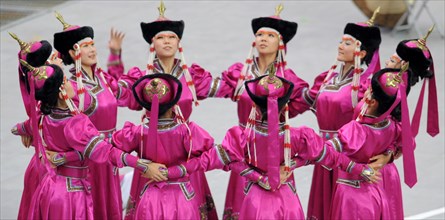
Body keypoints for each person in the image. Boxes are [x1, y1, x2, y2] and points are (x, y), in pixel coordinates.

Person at [171, 72, 379, 219]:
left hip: (255, 202)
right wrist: (360, 169)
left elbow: (213, 161)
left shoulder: (241, 138)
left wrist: (169, 171)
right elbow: (325, 156)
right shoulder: (298, 138)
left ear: (254, 105)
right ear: (285, 107)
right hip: (287, 198)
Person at [11, 61, 151, 219]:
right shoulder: (75, 123)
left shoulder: (44, 117)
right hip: (71, 195)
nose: (71, 84)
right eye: (65, 81)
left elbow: (20, 128)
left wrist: (25, 133)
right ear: (61, 90)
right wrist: (141, 164)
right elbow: (105, 151)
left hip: (49, 188)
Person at [206, 4, 309, 218]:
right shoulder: (240, 74)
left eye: (270, 35)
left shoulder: (290, 81)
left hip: (278, 148)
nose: (263, 38)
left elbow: (323, 102)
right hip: (245, 148)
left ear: (281, 43)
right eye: (259, 34)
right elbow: (200, 88)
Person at [122, 2, 216, 219]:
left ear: (179, 42)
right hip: (150, 154)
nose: (166, 41)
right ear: (152, 43)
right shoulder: (141, 78)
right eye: (160, 37)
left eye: (171, 37)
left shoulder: (192, 76)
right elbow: (109, 97)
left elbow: (235, 90)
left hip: (186, 152)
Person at [52, 12, 140, 219]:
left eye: (92, 44)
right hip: (89, 157)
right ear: (73, 53)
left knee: (111, 204)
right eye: (84, 46)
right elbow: (58, 123)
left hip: (109, 156)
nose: (92, 49)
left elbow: (124, 91)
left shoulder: (103, 79)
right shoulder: (71, 87)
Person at [302, 8, 382, 220]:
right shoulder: (328, 78)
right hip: (325, 151)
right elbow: (302, 101)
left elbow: (375, 124)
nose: (340, 45)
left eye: (347, 43)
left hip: (347, 153)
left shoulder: (366, 85)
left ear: (362, 52)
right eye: (341, 41)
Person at [111, 73, 218, 219]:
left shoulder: (138, 133)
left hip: (150, 198)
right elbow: (215, 155)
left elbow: (109, 151)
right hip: (182, 196)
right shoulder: (187, 132)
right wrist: (179, 170)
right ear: (174, 105)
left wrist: (140, 164)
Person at [366, 26, 439, 219]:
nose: (390, 57)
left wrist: (388, 156)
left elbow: (405, 139)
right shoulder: (377, 85)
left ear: (404, 67)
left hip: (376, 173)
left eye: (395, 58)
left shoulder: (393, 98)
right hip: (360, 165)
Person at [9, 33, 84, 220]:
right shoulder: (50, 100)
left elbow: (32, 121)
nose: (56, 61)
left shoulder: (46, 99)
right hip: (48, 170)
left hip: (47, 165)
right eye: (50, 60)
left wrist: (24, 129)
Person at [329, 66, 415, 219]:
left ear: (373, 102)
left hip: (352, 194)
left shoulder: (356, 130)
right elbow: (408, 144)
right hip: (375, 190)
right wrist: (389, 154)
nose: (365, 91)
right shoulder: (392, 125)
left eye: (368, 90)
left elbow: (323, 152)